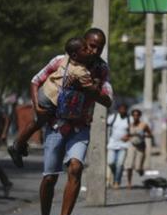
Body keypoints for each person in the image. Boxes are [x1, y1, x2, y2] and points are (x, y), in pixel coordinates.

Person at [15, 28, 113, 215]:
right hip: (56, 125)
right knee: (50, 177)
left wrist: (89, 90)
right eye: (91, 46)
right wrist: (36, 105)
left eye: (99, 47)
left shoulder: (101, 70)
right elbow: (35, 80)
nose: (95, 51)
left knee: (76, 168)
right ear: (82, 45)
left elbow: (108, 100)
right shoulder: (61, 61)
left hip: (80, 127)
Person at [7, 36, 101, 166]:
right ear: (75, 54)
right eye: (87, 48)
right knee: (40, 121)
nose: (91, 51)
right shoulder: (80, 71)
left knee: (38, 122)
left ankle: (19, 145)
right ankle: (18, 146)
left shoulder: (66, 60)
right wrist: (97, 81)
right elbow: (93, 90)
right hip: (50, 100)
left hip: (44, 92)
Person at [125, 109, 154, 188]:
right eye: (134, 115)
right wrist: (126, 138)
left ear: (139, 116)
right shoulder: (130, 125)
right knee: (129, 164)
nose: (135, 117)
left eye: (137, 115)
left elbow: (150, 134)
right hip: (132, 145)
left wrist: (145, 136)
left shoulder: (144, 125)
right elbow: (128, 135)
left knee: (137, 167)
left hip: (140, 146)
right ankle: (129, 183)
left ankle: (140, 170)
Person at [107, 104, 130, 188]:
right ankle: (115, 174)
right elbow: (105, 126)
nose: (122, 111)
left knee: (120, 164)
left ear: (126, 110)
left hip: (123, 145)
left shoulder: (129, 119)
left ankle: (116, 181)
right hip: (112, 144)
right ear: (118, 110)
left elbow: (133, 130)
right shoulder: (113, 117)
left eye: (124, 109)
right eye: (121, 109)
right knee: (111, 162)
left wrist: (129, 136)